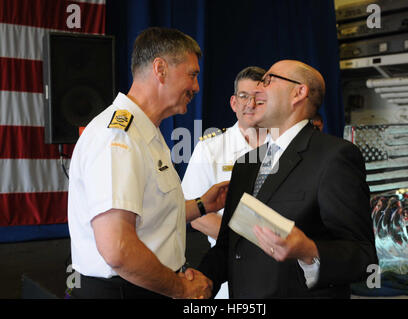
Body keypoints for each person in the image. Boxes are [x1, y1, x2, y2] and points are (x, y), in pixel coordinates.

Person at [67, 27, 228, 299]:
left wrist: (203, 205)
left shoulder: (145, 132)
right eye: (192, 74)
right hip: (125, 291)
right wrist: (181, 288)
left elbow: (149, 214)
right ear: (160, 69)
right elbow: (117, 247)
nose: (196, 87)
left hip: (145, 285)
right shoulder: (118, 137)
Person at [196, 60, 378, 298]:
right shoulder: (245, 165)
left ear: (298, 92)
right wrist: (202, 279)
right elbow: (230, 244)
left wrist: (310, 251)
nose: (258, 90)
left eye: (268, 80)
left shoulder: (335, 157)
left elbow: (363, 257)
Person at [181, 66, 267, 298]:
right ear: (233, 103)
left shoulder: (286, 147)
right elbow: (194, 213)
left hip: (281, 269)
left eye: (259, 98)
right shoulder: (210, 148)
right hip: (230, 271)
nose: (251, 104)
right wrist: (251, 240)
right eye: (244, 96)